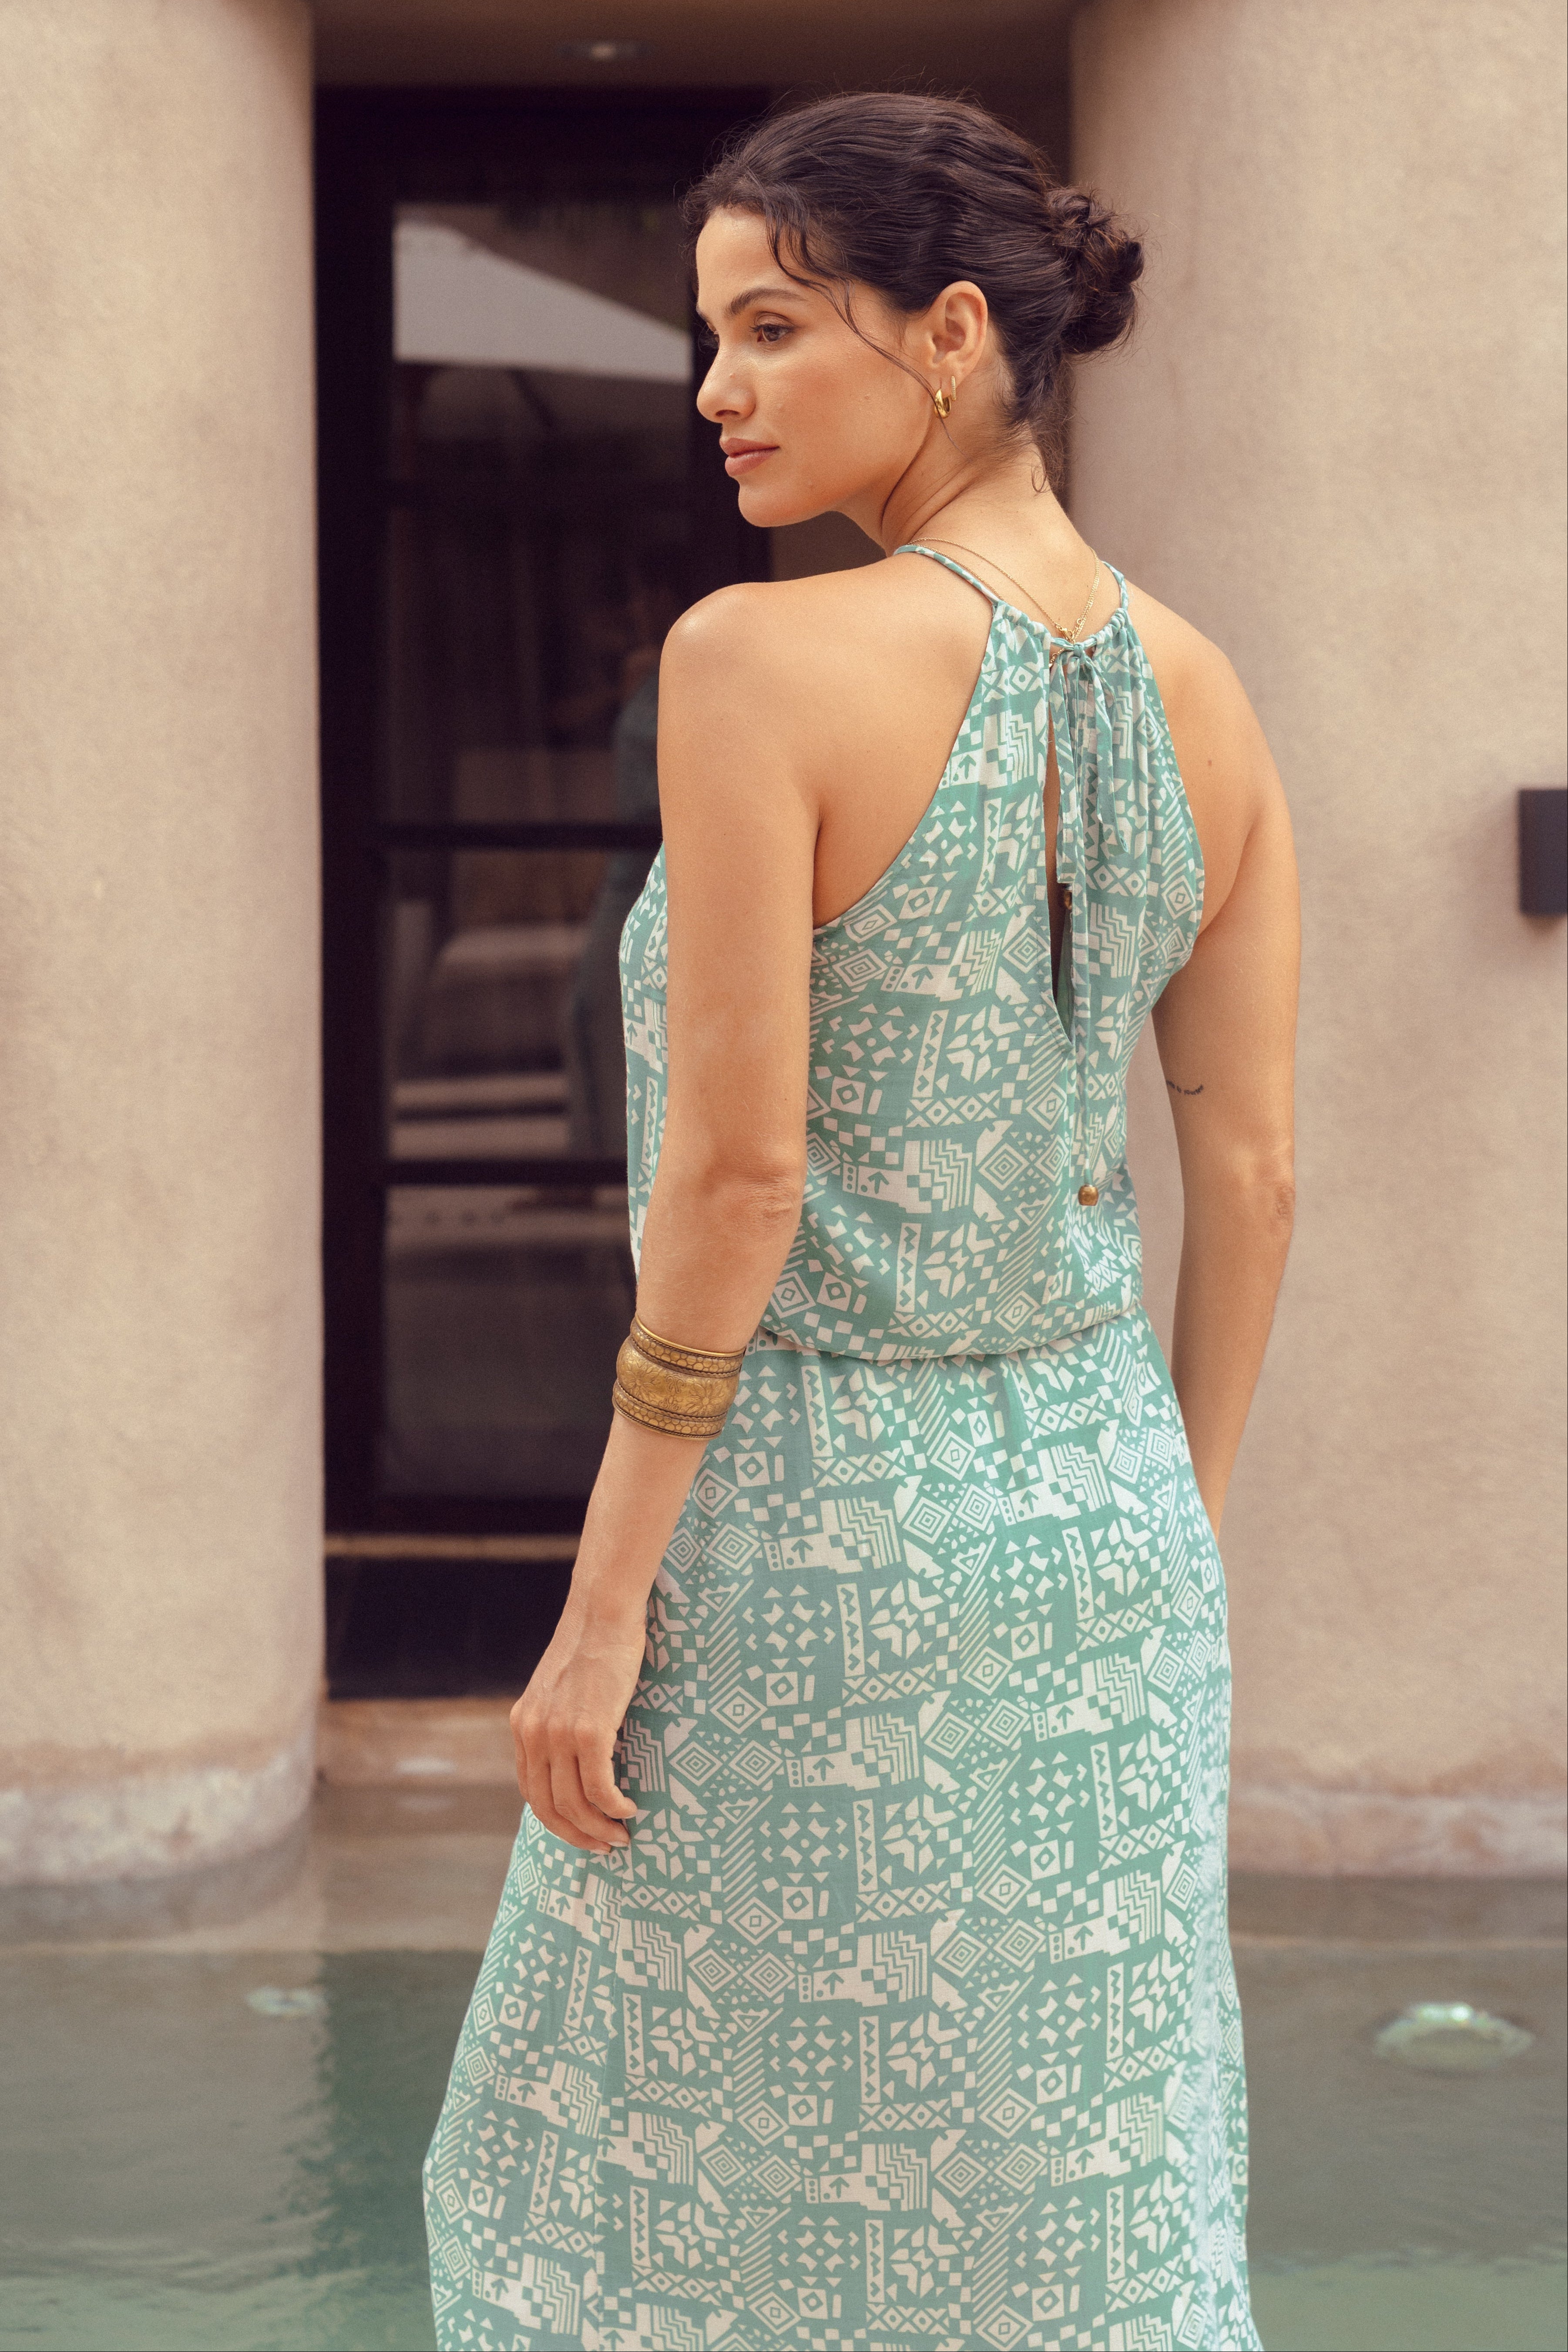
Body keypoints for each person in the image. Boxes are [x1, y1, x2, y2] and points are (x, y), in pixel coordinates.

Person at [425, 90, 1297, 2352]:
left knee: (624, 2188)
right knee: (1070, 2203)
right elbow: (1253, 1162)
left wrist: (600, 1607)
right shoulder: (1204, 694)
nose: (712, 381)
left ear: (948, 332)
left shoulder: (757, 662)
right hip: (1106, 1539)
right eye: (710, 329)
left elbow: (733, 1177)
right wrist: (1172, 1533)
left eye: (771, 327)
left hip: (810, 1540)